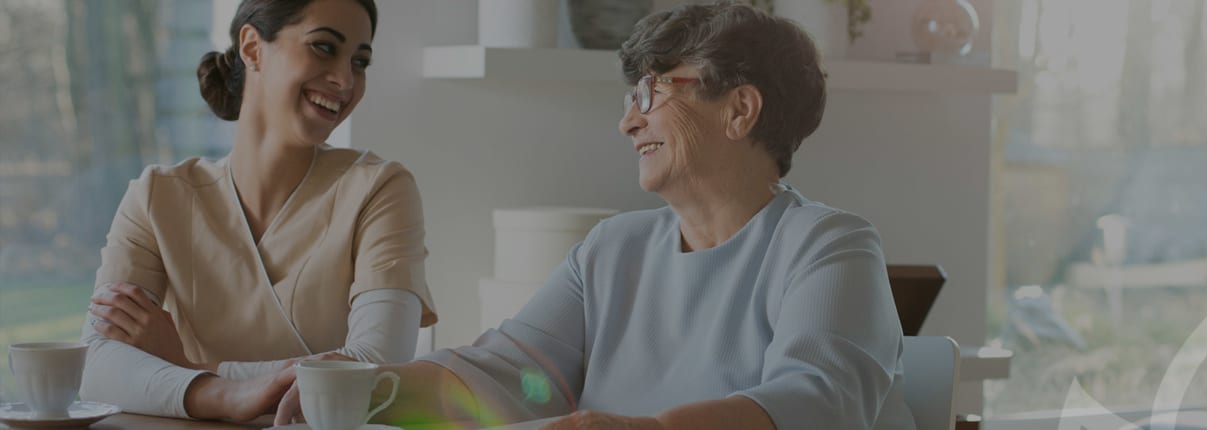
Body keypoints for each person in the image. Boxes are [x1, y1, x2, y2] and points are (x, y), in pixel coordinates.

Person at [273, 2, 914, 429]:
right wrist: (365, 387)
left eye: (652, 92)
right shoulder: (613, 248)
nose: (627, 120)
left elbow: (816, 402)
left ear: (739, 110)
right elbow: (512, 373)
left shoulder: (829, 246)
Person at [80, 0, 437, 421]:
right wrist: (226, 395)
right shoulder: (157, 197)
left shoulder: (379, 189)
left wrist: (190, 370)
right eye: (324, 47)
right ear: (252, 47)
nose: (345, 79)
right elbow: (95, 366)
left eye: (360, 62)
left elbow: (373, 369)